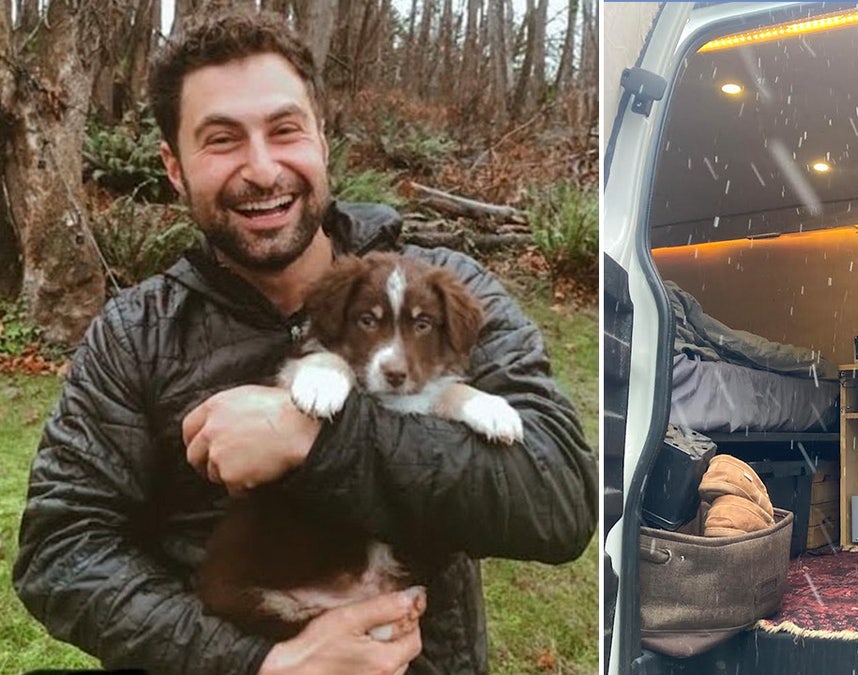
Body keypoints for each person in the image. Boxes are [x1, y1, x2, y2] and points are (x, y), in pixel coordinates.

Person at [12, 10, 597, 675]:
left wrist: (322, 442)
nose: (262, 169)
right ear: (174, 167)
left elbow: (562, 498)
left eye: (285, 130)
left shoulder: (452, 284)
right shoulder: (132, 337)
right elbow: (61, 553)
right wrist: (262, 661)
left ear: (322, 136)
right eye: (222, 139)